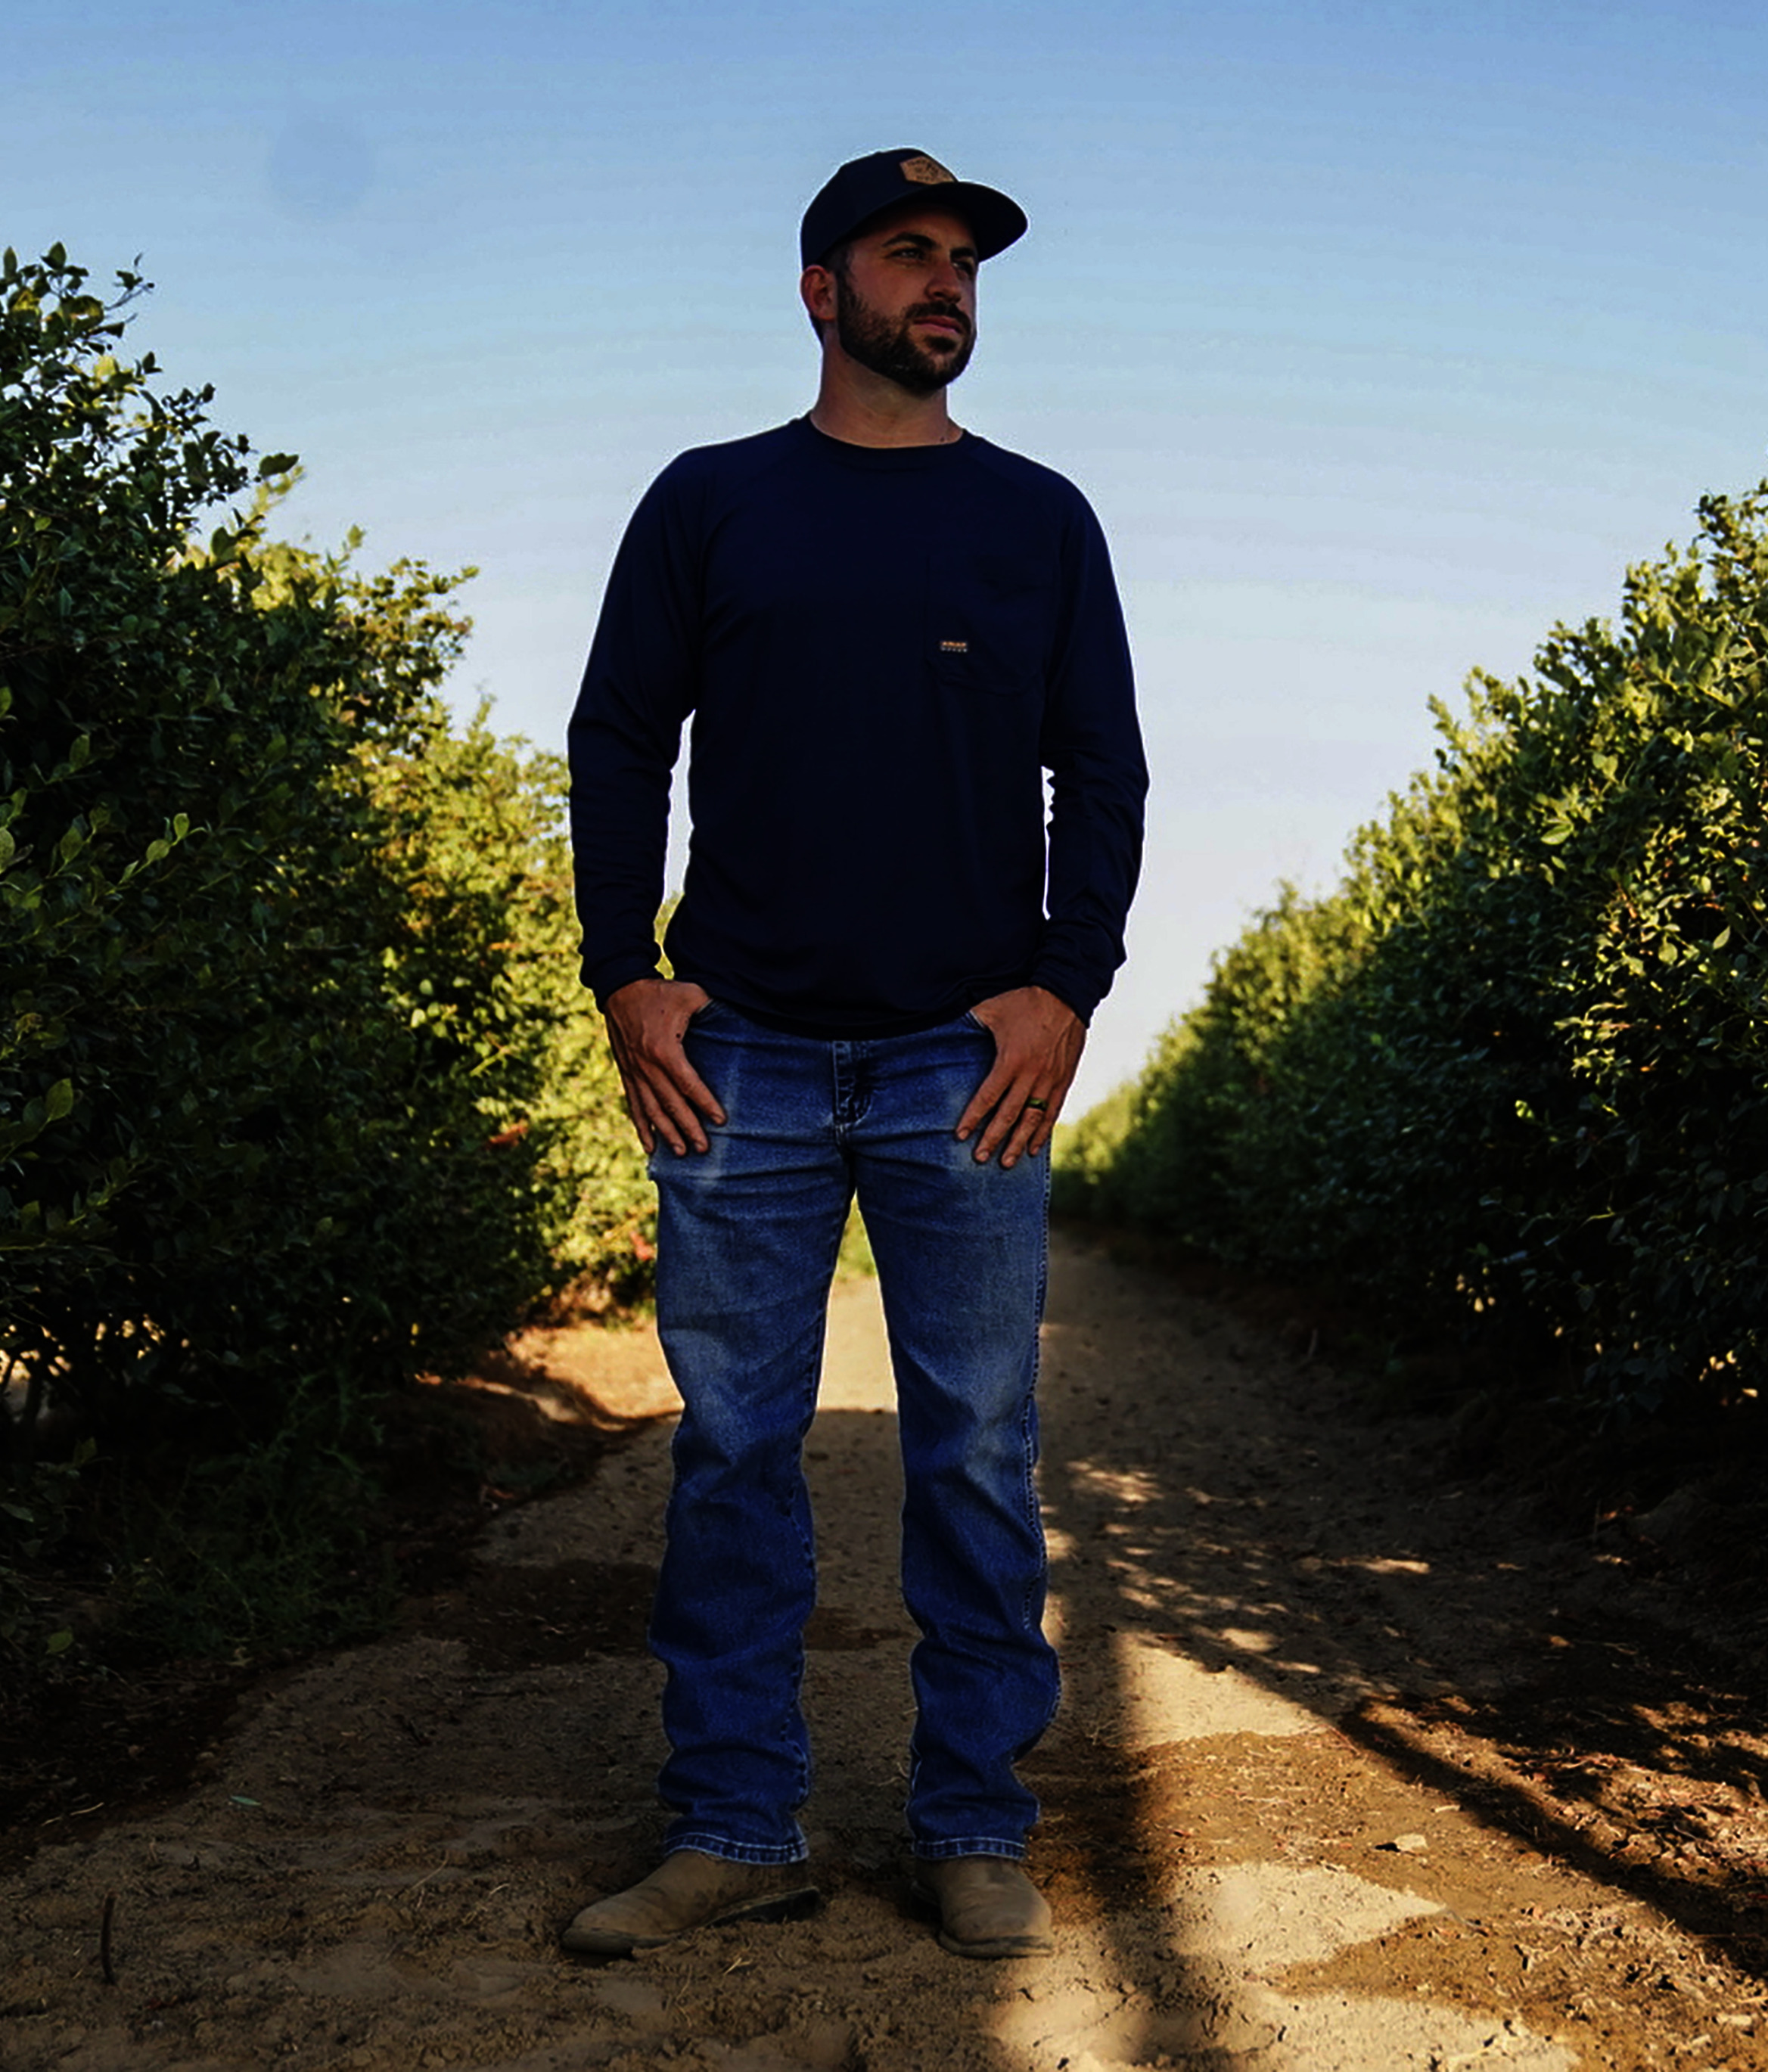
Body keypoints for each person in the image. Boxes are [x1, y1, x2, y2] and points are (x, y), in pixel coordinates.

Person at [555, 148, 1148, 1963]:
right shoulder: (711, 502)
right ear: (822, 288)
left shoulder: (1040, 517)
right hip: (734, 1053)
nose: (947, 282)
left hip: (959, 1065)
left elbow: (1102, 772)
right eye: (912, 253)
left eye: (966, 259)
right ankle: (735, 1821)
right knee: (737, 1447)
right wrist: (621, 975)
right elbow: (614, 738)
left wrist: (1066, 987)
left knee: (973, 1446)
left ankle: (973, 1821)